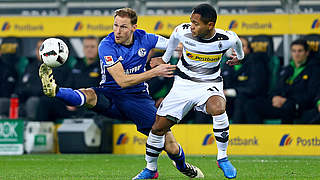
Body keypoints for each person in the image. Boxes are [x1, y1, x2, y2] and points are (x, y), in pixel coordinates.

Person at [38, 8, 203, 179]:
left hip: (137, 99)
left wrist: (201, 49)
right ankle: (55, 90)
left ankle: (182, 166)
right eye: (115, 25)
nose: (117, 31)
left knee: (170, 145)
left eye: (123, 27)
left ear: (134, 28)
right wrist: (155, 72)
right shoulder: (106, 45)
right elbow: (122, 81)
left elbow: (176, 45)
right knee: (89, 95)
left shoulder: (145, 38)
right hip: (111, 94)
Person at [135, 4, 244, 179]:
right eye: (190, 22)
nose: (191, 26)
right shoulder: (182, 31)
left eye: (196, 23)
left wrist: (240, 57)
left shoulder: (226, 39)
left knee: (218, 107)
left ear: (210, 25)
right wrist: (163, 59)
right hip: (183, 85)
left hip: (209, 83)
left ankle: (222, 157)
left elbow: (237, 42)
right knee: (157, 128)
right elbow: (171, 42)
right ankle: (151, 169)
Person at [245, 39, 320, 124]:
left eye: (300, 51)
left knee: (288, 106)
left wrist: (287, 100)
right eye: (294, 51)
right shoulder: (286, 69)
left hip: (298, 106)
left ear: (307, 53)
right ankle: (258, 136)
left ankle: (285, 135)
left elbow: (311, 94)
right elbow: (276, 88)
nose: (297, 54)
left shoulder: (314, 70)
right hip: (281, 103)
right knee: (251, 105)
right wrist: (274, 97)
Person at [222, 36, 269, 123]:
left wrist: (231, 92)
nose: (236, 48)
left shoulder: (256, 63)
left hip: (248, 100)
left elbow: (254, 88)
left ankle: (236, 134)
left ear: (248, 49)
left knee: (241, 101)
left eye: (241, 45)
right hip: (228, 102)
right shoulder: (227, 64)